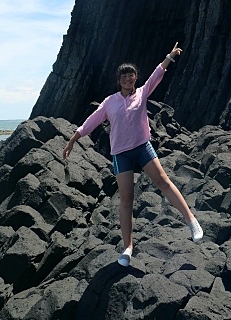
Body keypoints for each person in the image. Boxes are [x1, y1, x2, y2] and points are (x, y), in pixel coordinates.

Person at [62, 42, 203, 267]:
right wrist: (72, 140)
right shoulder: (110, 102)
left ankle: (192, 221)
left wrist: (170, 56)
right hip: (121, 155)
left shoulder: (142, 93)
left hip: (142, 147)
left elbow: (157, 75)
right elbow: (92, 121)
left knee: (164, 182)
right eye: (124, 76)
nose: (129, 79)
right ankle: (127, 247)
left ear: (135, 78)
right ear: (119, 80)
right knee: (126, 200)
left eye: (132, 76)